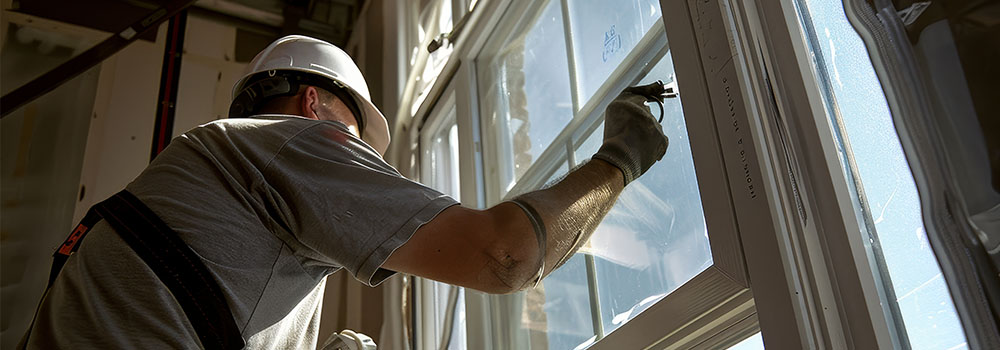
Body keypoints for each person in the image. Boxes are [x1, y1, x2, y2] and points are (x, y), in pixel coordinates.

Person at [21, 35, 668, 349]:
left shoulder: (210, 168)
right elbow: (504, 256)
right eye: (358, 139)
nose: (360, 164)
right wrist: (621, 156)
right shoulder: (293, 142)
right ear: (314, 103)